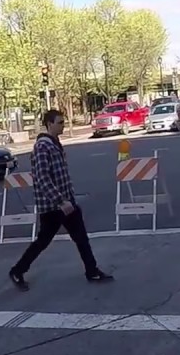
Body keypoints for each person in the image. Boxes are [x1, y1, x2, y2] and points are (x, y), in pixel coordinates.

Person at [9, 109, 110, 290]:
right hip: (53, 206)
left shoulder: (55, 144)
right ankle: (17, 270)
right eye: (60, 123)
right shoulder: (42, 147)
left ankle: (92, 271)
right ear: (49, 124)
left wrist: (67, 199)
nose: (63, 125)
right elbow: (41, 177)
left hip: (66, 203)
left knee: (81, 238)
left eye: (63, 122)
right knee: (43, 241)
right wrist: (60, 201)